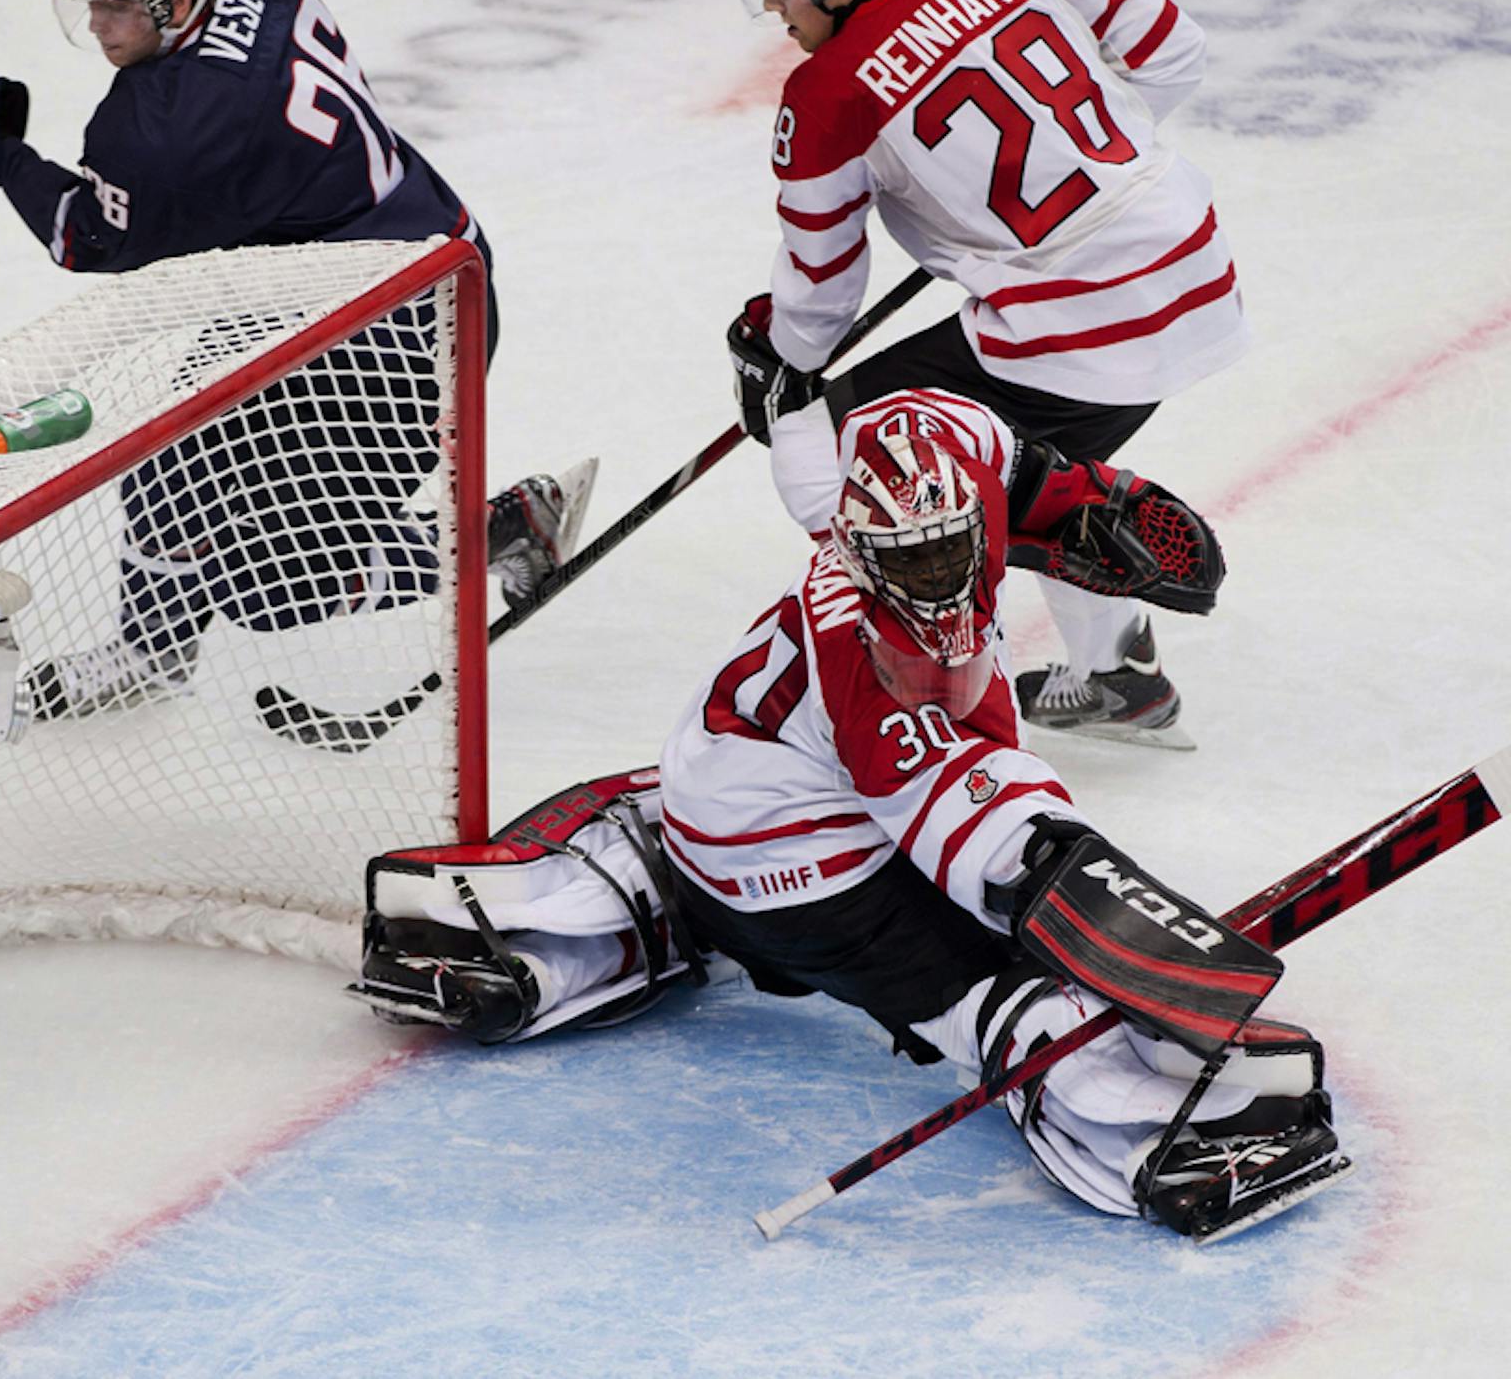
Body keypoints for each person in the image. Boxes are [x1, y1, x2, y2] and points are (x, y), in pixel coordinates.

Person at [354, 389, 1349, 1243]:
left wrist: (1078, 496)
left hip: (718, 781)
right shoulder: (881, 676)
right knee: (1008, 983)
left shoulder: (933, 444)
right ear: (859, 553)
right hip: (795, 876)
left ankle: (623, 898)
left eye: (949, 551)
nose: (936, 584)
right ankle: (1155, 1128)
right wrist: (1161, 955)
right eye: (908, 568)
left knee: (827, 853)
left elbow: (996, 457)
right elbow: (1016, 855)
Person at [0, 0, 589, 716]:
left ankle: (507, 529)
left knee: (273, 586)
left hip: (406, 328)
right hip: (333, 279)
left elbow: (85, 236)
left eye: (119, 4)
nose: (98, 23)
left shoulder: (169, 129)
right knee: (169, 467)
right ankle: (149, 656)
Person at [722, 0, 1246, 749]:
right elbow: (1172, 47)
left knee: (829, 445)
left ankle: (936, 691)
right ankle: (1116, 672)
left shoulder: (827, 94)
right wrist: (1081, 181)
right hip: (1195, 267)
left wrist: (777, 357)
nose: (772, 4)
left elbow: (823, 289)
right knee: (1026, 467)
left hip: (1079, 326)